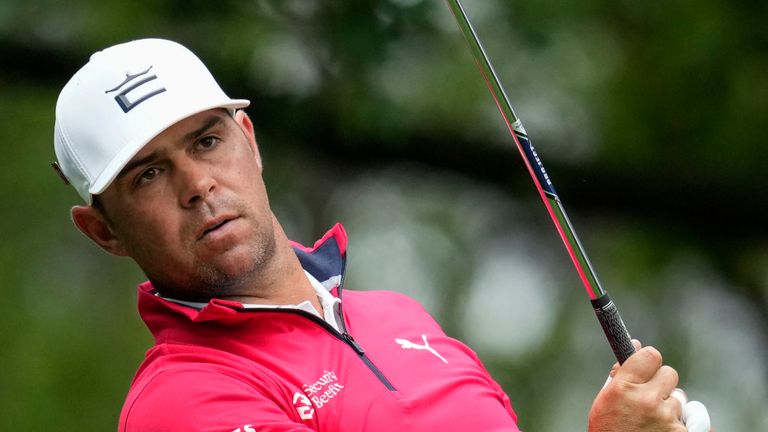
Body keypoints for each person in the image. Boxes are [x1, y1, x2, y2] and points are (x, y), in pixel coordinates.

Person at [52, 38, 711, 431]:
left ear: (249, 142)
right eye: (148, 176)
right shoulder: (181, 401)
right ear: (103, 231)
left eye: (207, 140)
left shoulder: (400, 315)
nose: (197, 185)